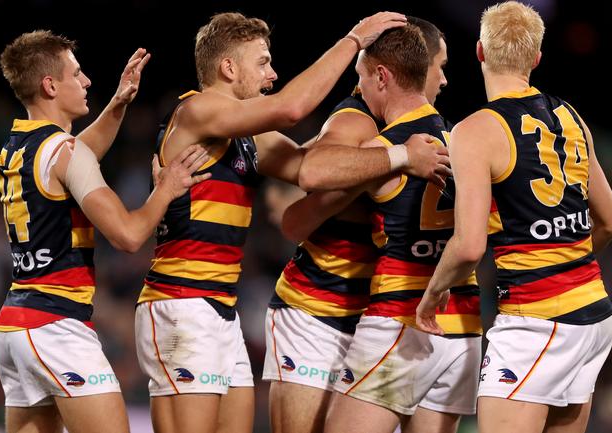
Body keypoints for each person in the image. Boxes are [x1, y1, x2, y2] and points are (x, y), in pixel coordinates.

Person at [133, 11, 451, 433]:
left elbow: (309, 166)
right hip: (181, 301)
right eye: (262, 62)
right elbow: (290, 109)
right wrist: (353, 41)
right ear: (228, 68)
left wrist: (373, 150)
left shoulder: (243, 134)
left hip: (220, 308)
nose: (272, 72)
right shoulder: (199, 108)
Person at [416, 2, 612, 433]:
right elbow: (610, 222)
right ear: (536, 59)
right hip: (594, 314)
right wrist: (567, 261)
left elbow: (469, 246)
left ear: (479, 52)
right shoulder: (572, 117)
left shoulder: (475, 130)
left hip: (537, 319)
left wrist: (433, 294)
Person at [0, 30, 209, 433]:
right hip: (56, 326)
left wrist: (118, 102)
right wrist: (166, 189)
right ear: (50, 85)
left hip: (14, 329)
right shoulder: (65, 152)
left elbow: (76, 156)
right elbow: (128, 236)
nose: (87, 81)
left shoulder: (19, 146)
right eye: (76, 73)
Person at [263, 17, 460, 433]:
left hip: (382, 317)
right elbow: (305, 191)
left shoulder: (432, 135)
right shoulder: (360, 119)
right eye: (438, 65)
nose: (442, 79)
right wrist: (395, 159)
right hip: (319, 308)